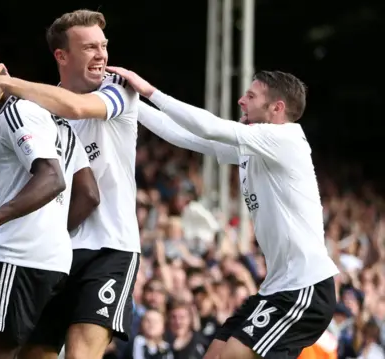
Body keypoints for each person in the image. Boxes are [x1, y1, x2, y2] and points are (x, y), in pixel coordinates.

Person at [105, 65, 340, 359]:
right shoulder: (258, 145)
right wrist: (128, 103)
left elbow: (208, 126)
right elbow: (185, 136)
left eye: (251, 96)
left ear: (277, 108)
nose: (242, 101)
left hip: (304, 287)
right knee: (214, 354)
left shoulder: (286, 139)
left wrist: (148, 90)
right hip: (277, 287)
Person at [0, 10, 141, 359]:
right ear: (62, 56)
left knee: (80, 354)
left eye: (103, 45)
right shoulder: (37, 109)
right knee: (36, 353)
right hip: (58, 253)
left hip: (110, 247)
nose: (101, 54)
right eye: (89, 47)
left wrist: (5, 83)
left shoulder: (117, 90)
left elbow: (75, 107)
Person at [0, 52, 99, 359]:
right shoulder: (59, 120)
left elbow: (52, 177)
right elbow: (89, 194)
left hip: (16, 257)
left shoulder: (17, 110)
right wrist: (48, 230)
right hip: (56, 262)